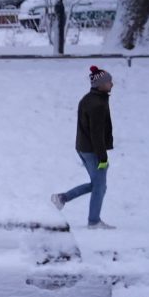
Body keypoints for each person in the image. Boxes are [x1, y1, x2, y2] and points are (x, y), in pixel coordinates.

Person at [54, 65, 117, 228]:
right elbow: (96, 133)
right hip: (93, 150)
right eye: (109, 81)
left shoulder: (89, 98)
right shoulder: (97, 104)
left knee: (97, 185)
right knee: (100, 186)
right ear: (100, 84)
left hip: (83, 148)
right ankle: (94, 221)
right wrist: (102, 156)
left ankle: (62, 198)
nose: (112, 84)